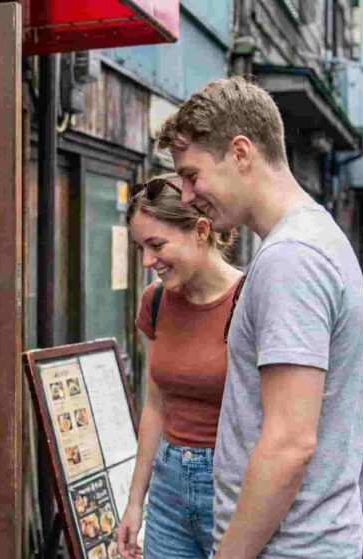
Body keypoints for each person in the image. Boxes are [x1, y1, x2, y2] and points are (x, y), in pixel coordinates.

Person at [157, 76, 363, 558]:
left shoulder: (290, 258)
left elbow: (290, 443)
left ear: (240, 153)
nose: (187, 196)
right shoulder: (313, 237)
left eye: (192, 175)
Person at [114, 174, 243, 559]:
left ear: (201, 231)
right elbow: (156, 404)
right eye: (140, 248)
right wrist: (136, 502)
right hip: (168, 485)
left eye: (156, 245)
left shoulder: (250, 300)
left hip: (232, 486)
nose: (147, 261)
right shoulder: (155, 301)